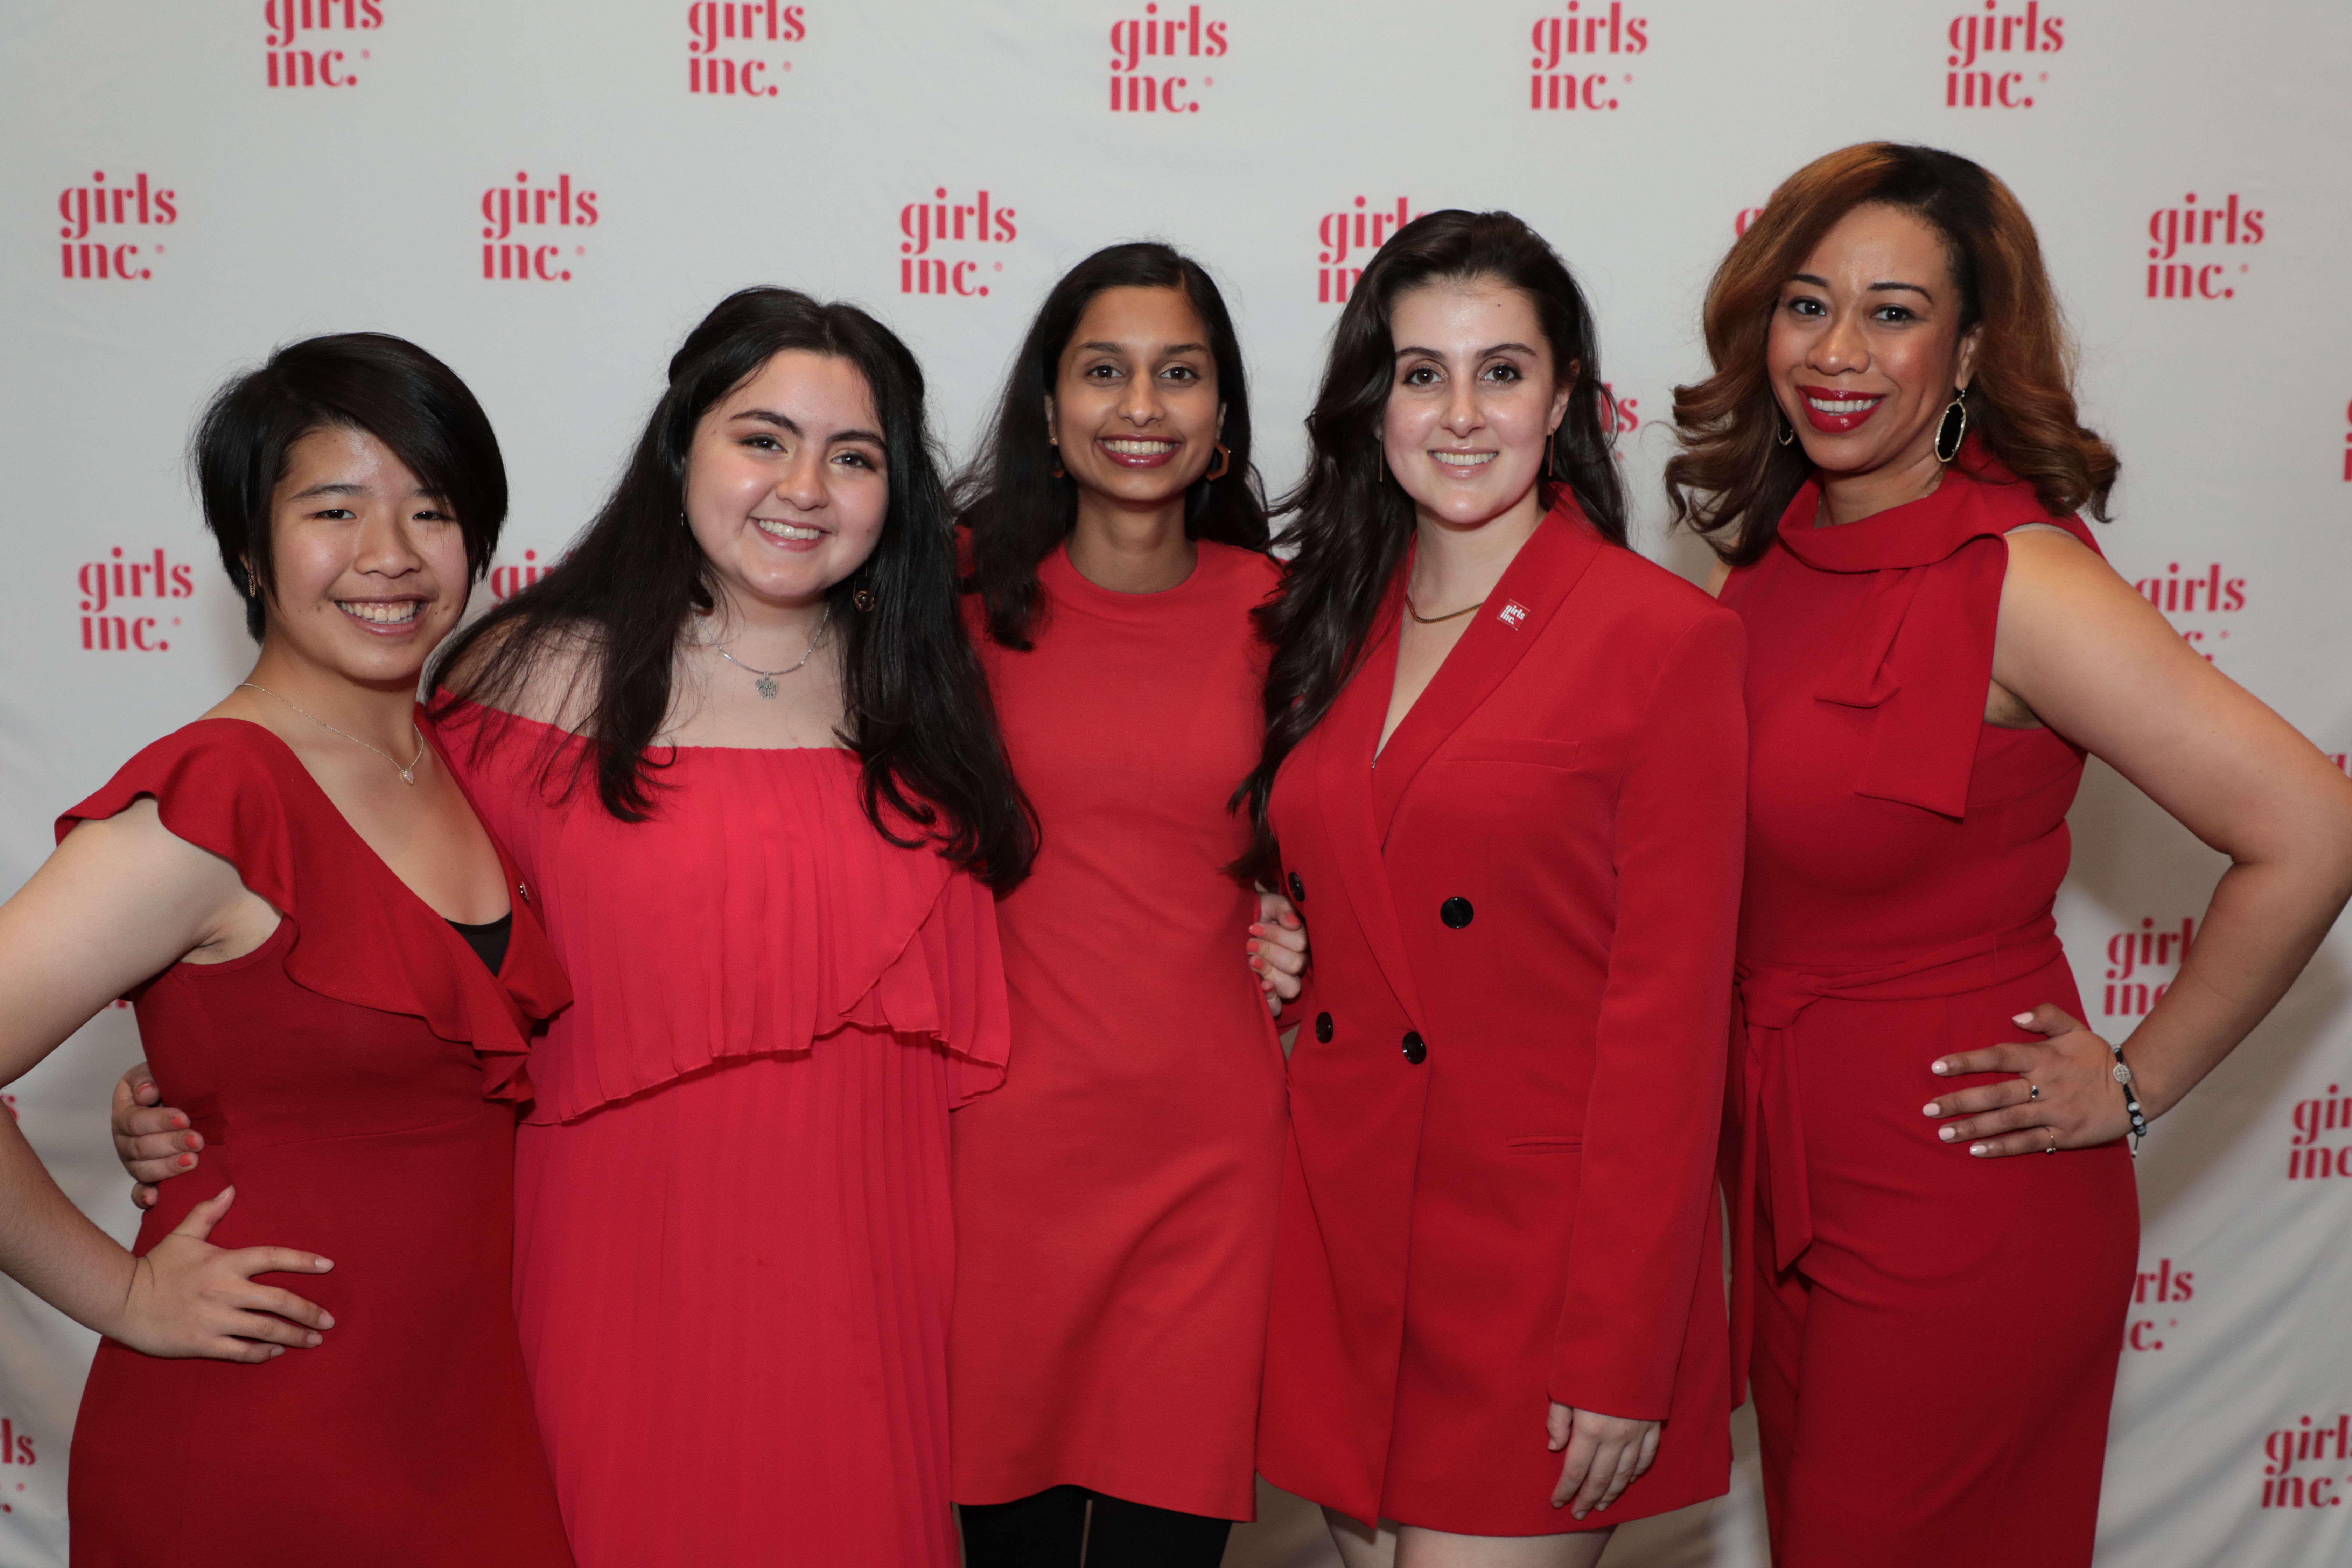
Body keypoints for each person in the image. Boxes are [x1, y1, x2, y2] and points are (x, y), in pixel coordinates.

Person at [118, 289, 1034, 1567]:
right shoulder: (520, 680)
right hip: (614, 1266)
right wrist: (204, 1076)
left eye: (856, 455)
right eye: (761, 437)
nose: (805, 487)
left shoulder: (936, 690)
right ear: (682, 450)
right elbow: (371, 929)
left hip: (876, 1278)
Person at [1666, 142, 2352, 1567]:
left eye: (1896, 311)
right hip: (1785, 1178)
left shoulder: (2021, 577)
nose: (1839, 351)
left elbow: (2310, 827)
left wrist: (2137, 1081)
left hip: (1959, 1187)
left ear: (1973, 344)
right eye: (1807, 304)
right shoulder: (1771, 547)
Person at [0, 334, 573, 1565]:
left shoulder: (458, 762)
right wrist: (120, 1294)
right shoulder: (215, 795)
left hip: (466, 1427)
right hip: (266, 1433)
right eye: (335, 509)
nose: (391, 555)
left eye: (433, 510)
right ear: (251, 552)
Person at [1232, 210, 1745, 1567]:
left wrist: (1627, 1344)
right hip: (1352, 1230)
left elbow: (1673, 1023)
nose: (1461, 415)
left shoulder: (1665, 640)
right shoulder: (1332, 620)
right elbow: (1357, 867)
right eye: (1421, 374)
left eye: (1502, 372)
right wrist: (1287, 936)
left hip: (1540, 1267)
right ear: (1374, 401)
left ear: (1567, 394)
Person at [948, 241, 1301, 1568]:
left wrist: (1308, 931)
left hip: (1212, 1168)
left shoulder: (1293, 615)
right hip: (997, 1162)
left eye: (1179, 374)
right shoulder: (951, 598)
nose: (1140, 406)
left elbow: (1357, 843)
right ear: (1049, 410)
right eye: (1104, 371)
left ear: (1221, 420)